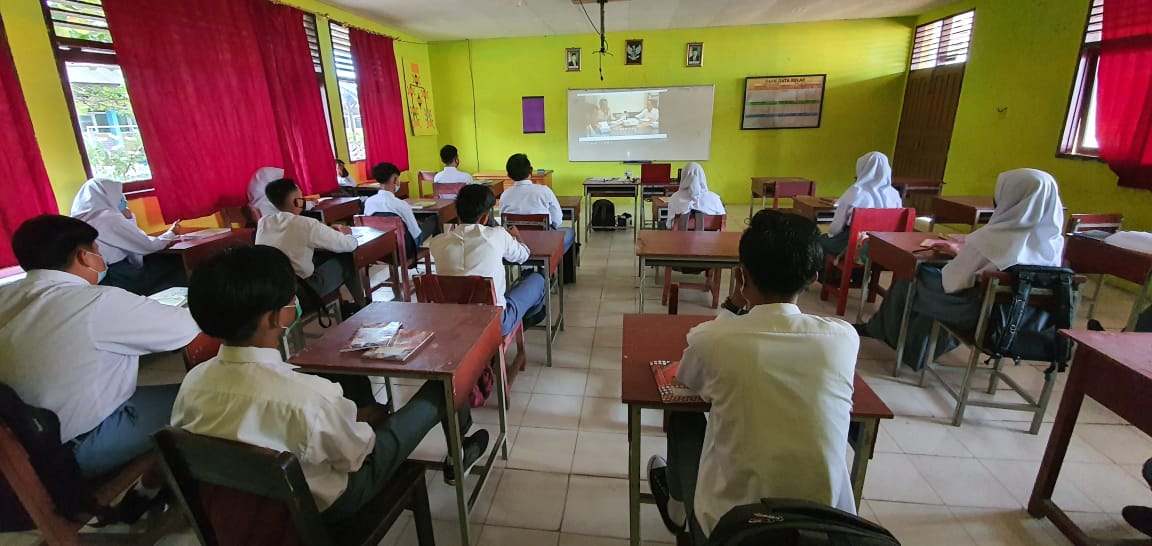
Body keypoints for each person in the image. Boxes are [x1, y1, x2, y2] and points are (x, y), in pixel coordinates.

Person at [172, 245, 488, 522]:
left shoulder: (193, 383)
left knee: (354, 403)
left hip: (245, 505)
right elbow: (358, 455)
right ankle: (458, 451)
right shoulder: (309, 397)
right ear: (276, 318)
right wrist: (370, 422)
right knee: (441, 386)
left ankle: (455, 447)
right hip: (329, 504)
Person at [647, 209, 858, 543]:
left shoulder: (713, 340)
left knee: (685, 421)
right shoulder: (844, 339)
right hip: (825, 529)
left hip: (734, 532)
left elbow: (687, 379)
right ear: (813, 278)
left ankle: (677, 511)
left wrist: (732, 305)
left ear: (741, 274)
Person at [0, 215, 199, 514]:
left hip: (17, 447)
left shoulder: (6, 295)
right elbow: (187, 328)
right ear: (84, 255)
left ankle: (154, 487)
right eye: (98, 249)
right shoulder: (97, 302)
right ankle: (164, 492)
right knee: (207, 396)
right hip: (70, 450)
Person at [861, 168, 1065, 370]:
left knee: (912, 278)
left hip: (978, 315)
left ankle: (898, 341)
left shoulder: (993, 239)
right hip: (1019, 321)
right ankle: (910, 346)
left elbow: (953, 281)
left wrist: (959, 253)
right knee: (928, 284)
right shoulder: (1053, 242)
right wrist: (967, 255)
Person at [428, 185, 547, 337]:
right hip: (494, 322)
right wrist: (517, 237)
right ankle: (527, 318)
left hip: (452, 321)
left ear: (457, 212)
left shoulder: (437, 242)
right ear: (486, 217)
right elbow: (523, 256)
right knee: (537, 279)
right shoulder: (497, 235)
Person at [254, 177, 366, 309]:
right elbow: (349, 245)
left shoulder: (264, 222)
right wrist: (347, 233)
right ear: (296, 202)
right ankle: (361, 304)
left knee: (320, 258)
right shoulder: (305, 224)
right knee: (347, 258)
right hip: (302, 292)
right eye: (302, 198)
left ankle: (343, 305)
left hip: (273, 289)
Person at [69, 177, 185, 296]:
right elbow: (148, 245)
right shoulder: (109, 218)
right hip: (118, 274)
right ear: (110, 195)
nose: (122, 197)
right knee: (177, 264)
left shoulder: (80, 218)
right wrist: (172, 233)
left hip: (99, 278)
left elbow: (130, 239)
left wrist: (128, 217)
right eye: (119, 193)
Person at [821, 152, 902, 256]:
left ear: (862, 168)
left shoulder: (856, 192)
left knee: (820, 242)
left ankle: (827, 271)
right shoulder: (894, 195)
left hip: (854, 244)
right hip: (885, 245)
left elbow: (837, 225)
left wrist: (830, 235)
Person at [498, 153, 575, 252]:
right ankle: (554, 263)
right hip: (544, 242)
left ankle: (529, 266)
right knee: (569, 232)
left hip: (516, 243)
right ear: (531, 170)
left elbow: (504, 221)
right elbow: (558, 219)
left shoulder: (505, 195)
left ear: (508, 175)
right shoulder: (544, 191)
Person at [363, 162, 438, 259]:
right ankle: (440, 254)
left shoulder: (368, 202)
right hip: (404, 248)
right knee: (434, 219)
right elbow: (415, 234)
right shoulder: (401, 205)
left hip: (379, 248)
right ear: (395, 180)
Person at [665, 162, 725, 228]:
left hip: (679, 237)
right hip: (710, 238)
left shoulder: (675, 198)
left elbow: (669, 225)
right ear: (702, 176)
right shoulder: (714, 199)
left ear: (683, 176)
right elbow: (722, 223)